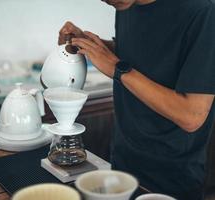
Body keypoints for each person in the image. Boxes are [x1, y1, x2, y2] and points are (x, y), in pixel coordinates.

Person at [58, 0, 215, 199]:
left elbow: (191, 116)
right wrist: (94, 46)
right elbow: (141, 57)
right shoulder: (125, 5)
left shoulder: (202, 11)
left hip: (172, 176)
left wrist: (117, 68)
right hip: (122, 160)